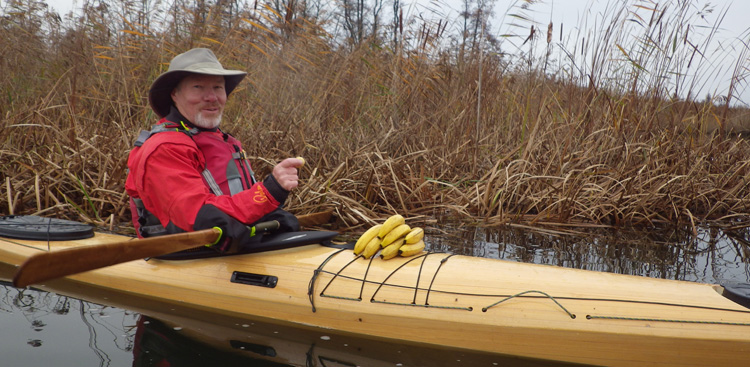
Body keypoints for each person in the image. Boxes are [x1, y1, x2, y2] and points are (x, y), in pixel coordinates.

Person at [125, 48, 303, 252]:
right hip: (183, 255)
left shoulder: (224, 141)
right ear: (174, 94)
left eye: (218, 87)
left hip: (223, 248)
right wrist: (269, 192)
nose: (211, 97)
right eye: (198, 87)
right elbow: (199, 215)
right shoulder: (164, 148)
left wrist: (265, 214)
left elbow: (231, 207)